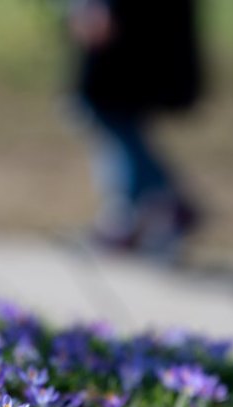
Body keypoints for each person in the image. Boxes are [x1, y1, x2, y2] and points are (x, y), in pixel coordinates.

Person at [66, 0, 207, 258]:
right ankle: (132, 215)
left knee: (102, 109)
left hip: (131, 27)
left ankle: (140, 211)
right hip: (142, 29)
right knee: (114, 116)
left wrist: (101, 7)